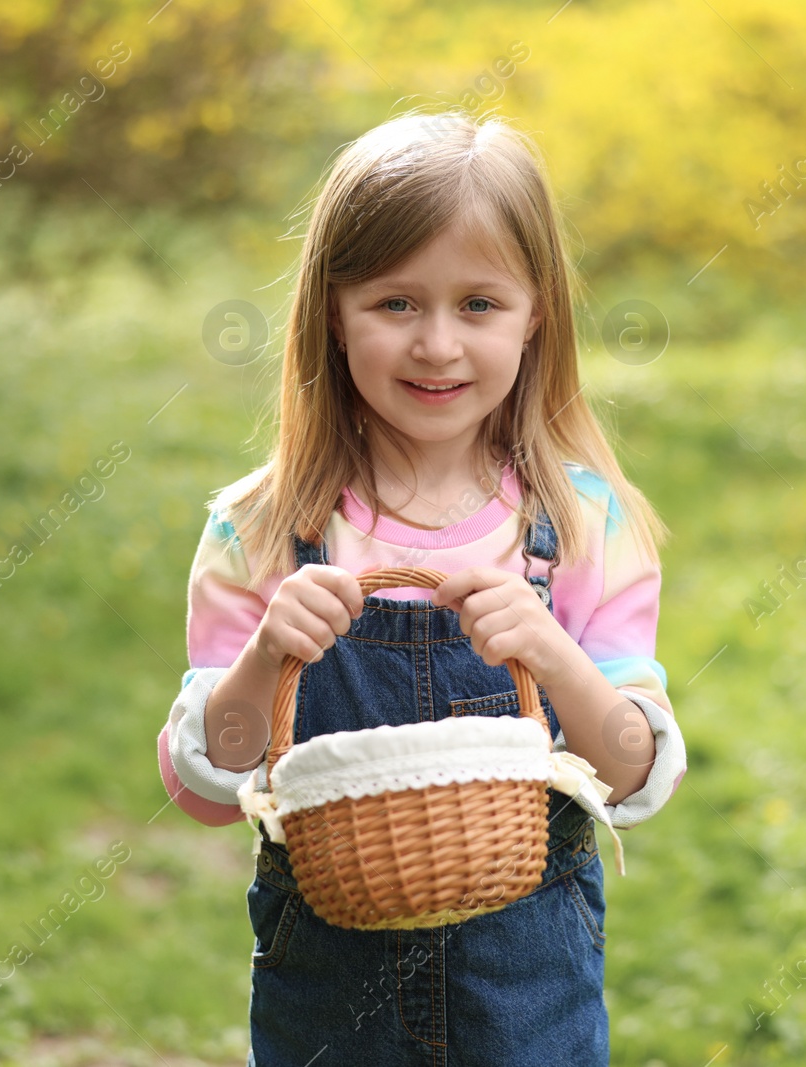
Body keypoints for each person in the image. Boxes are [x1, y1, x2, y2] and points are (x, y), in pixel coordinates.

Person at [155, 107, 686, 1066]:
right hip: (328, 1000)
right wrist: (268, 653)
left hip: (530, 996)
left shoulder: (580, 525)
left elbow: (633, 773)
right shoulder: (264, 528)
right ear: (332, 310)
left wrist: (552, 652)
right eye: (396, 303)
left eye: (478, 304)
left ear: (536, 317)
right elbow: (205, 784)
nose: (437, 344)